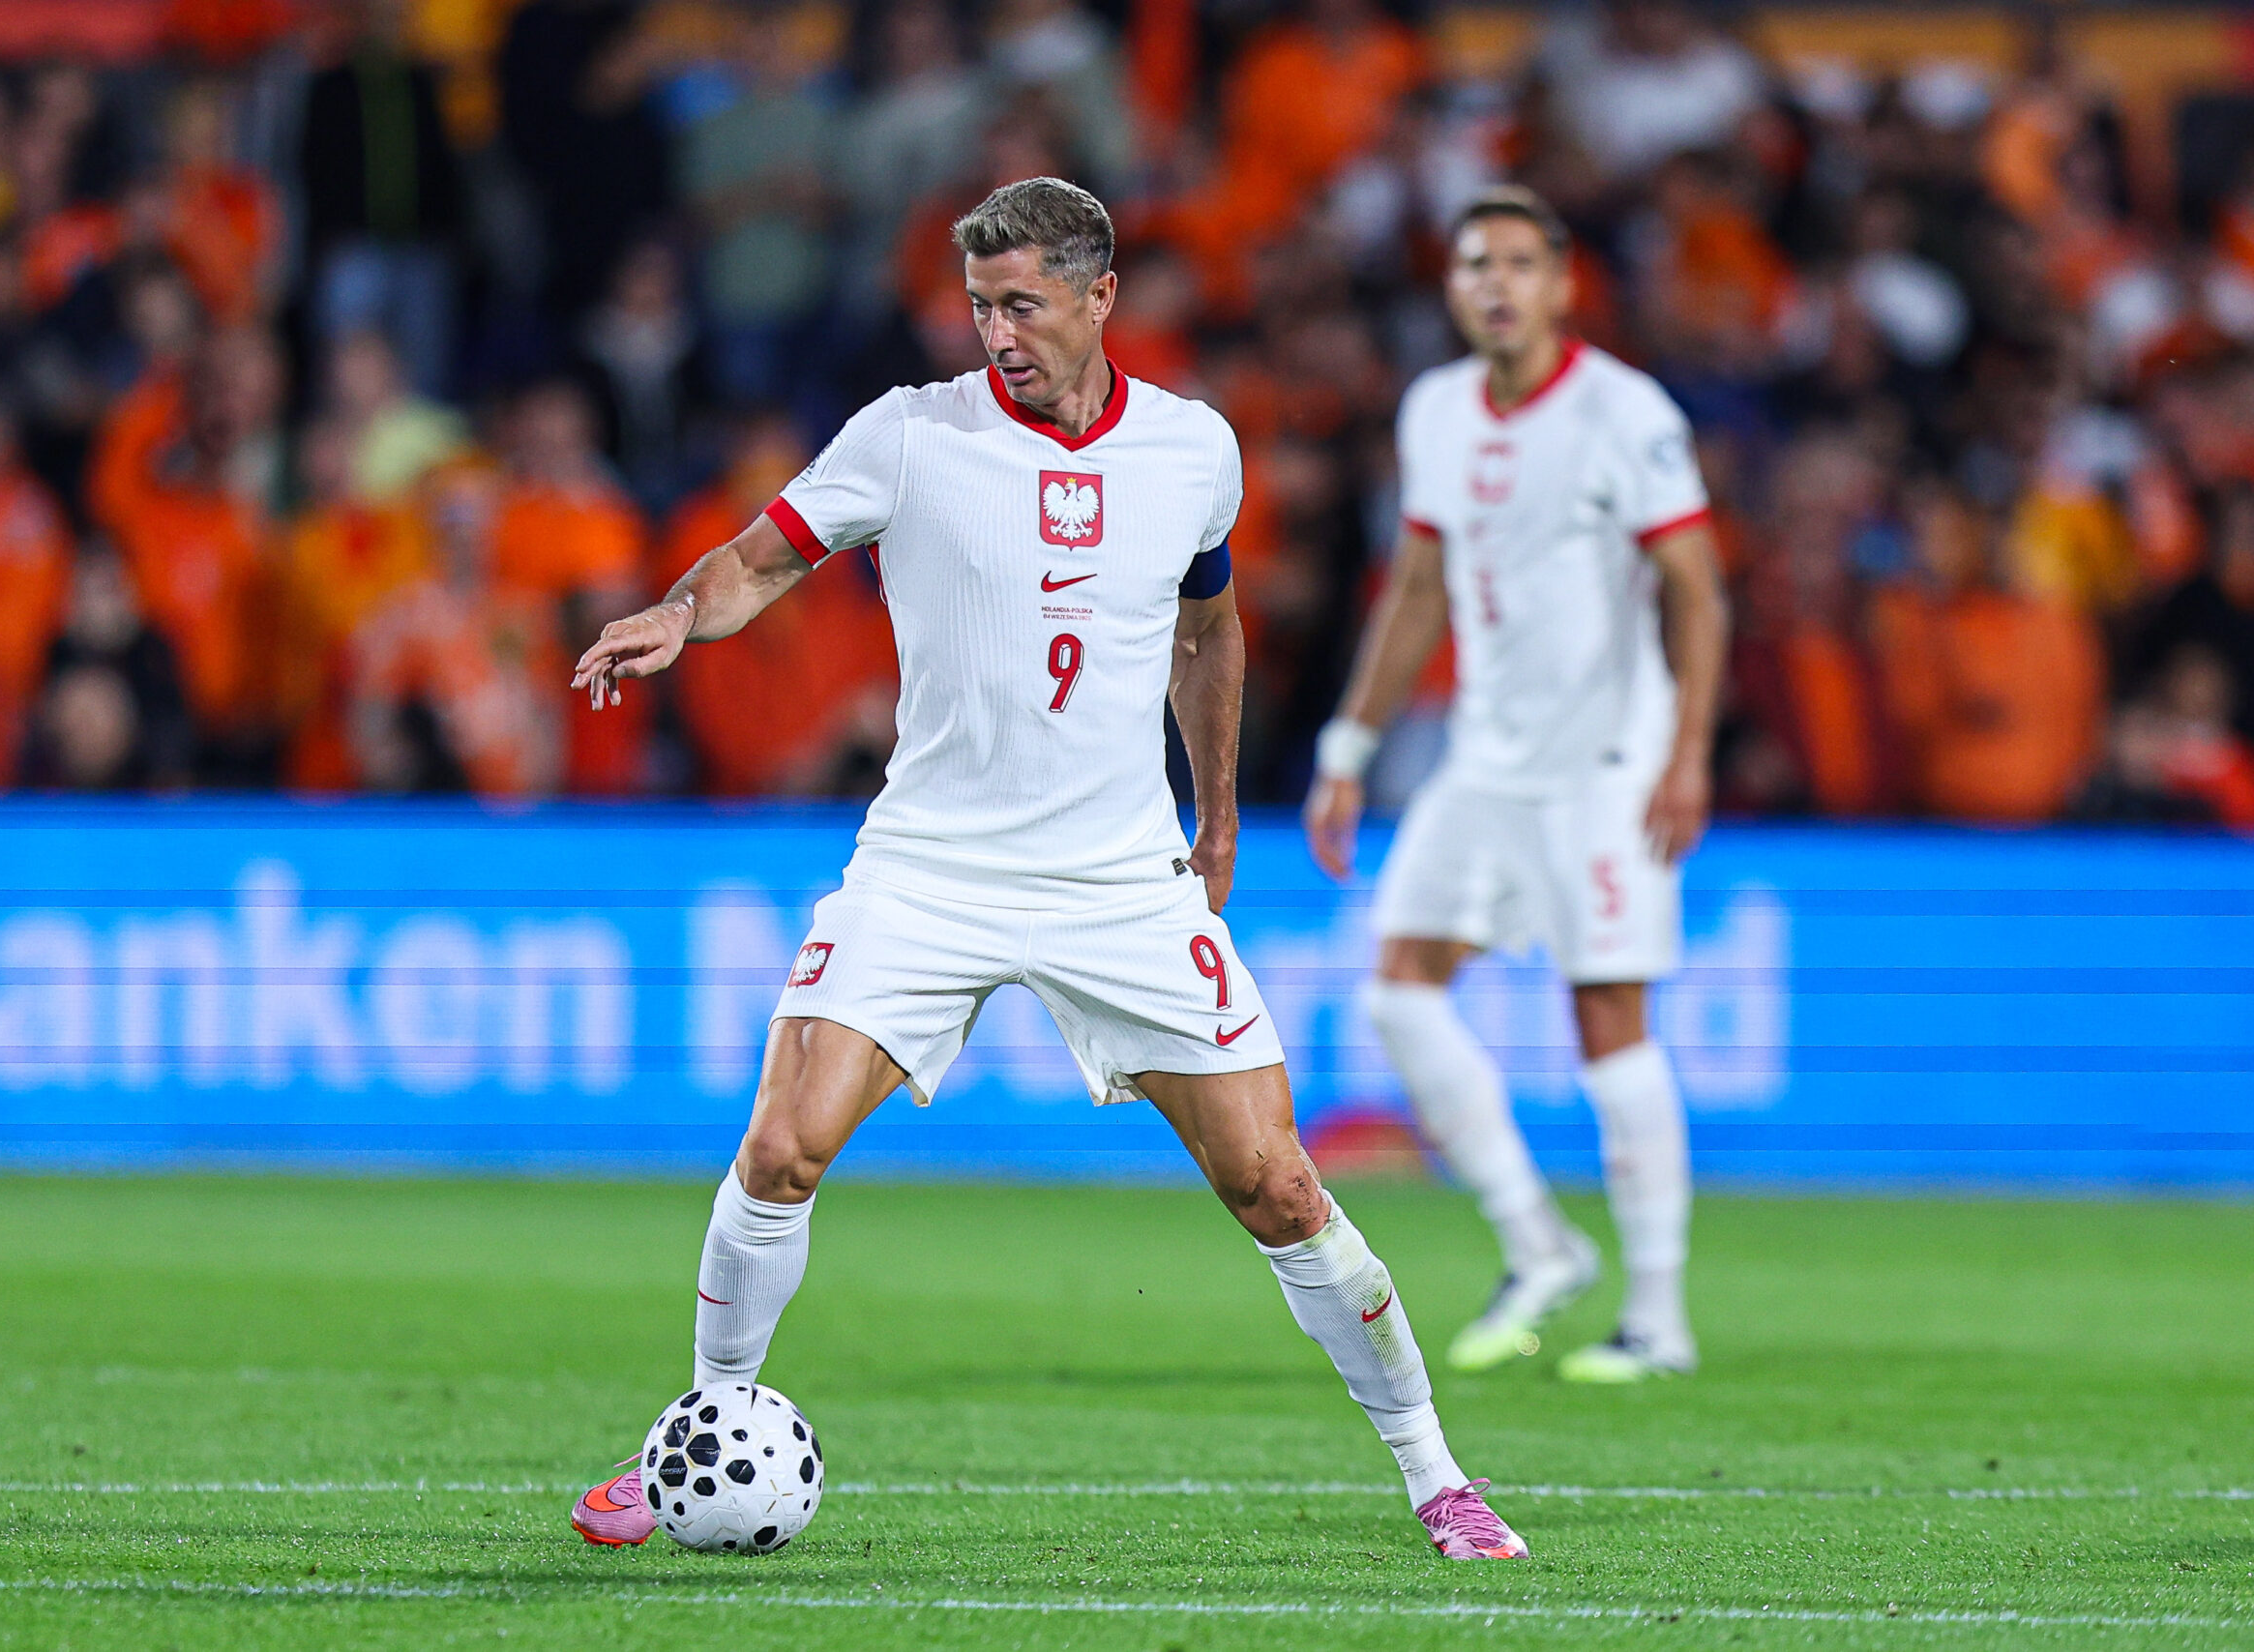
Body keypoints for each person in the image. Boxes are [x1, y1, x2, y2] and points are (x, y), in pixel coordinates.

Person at [567, 177, 1528, 1560]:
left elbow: (1211, 630)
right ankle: (705, 1429)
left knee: (1277, 1184)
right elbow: (762, 559)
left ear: (1098, 297)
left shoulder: (1194, 450)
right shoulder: (911, 436)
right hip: (931, 865)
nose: (998, 332)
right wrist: (677, 609)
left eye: (1021, 304)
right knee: (781, 1147)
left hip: (1118, 878)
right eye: (979, 307)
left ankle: (1437, 1474)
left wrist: (1216, 813)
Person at [1302, 187, 1730, 1384]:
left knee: (1608, 1020)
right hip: (1485, 756)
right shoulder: (1434, 407)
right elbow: (1419, 582)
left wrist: (1686, 751)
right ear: (1452, 288)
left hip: (1603, 763)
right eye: (1473, 264)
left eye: (1518, 264)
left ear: (1561, 284)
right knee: (1397, 987)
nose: (1495, 283)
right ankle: (1539, 1244)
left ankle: (1657, 1315)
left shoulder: (1621, 410)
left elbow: (1695, 587)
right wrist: (1348, 745)